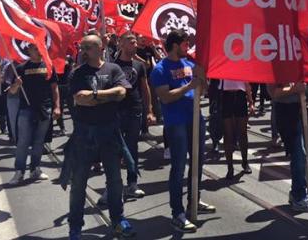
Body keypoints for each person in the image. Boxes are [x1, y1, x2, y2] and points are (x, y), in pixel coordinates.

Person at [65, 34, 134, 239]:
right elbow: (80, 99)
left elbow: (122, 92)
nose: (83, 51)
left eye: (88, 47)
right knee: (78, 183)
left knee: (114, 180)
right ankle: (75, 226)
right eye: (82, 47)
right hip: (84, 135)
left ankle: (118, 220)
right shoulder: (77, 73)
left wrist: (94, 96)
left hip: (110, 134)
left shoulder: (113, 69)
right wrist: (107, 96)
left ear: (100, 48)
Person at [150, 30, 216, 233]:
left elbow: (202, 91)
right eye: (185, 43)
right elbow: (166, 98)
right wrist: (190, 85)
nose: (188, 46)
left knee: (197, 163)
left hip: (196, 119)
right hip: (176, 122)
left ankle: (194, 201)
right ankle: (177, 212)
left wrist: (204, 79)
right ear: (175, 45)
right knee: (178, 167)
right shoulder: (160, 69)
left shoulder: (190, 65)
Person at [267, 81, 308, 213]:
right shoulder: (274, 66)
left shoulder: (298, 67)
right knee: (299, 153)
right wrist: (294, 89)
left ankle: (297, 190)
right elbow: (273, 92)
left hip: (302, 110)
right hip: (286, 113)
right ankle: (299, 196)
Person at [8, 43, 59, 184]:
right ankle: (19, 171)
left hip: (44, 109)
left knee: (39, 141)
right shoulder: (20, 68)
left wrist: (57, 107)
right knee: (23, 142)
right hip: (26, 110)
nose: (39, 51)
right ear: (29, 50)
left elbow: (54, 88)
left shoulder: (48, 66)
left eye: (40, 48)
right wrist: (17, 84)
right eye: (35, 48)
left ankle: (35, 168)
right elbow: (12, 91)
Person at [114, 32, 156, 198]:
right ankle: (114, 184)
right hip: (116, 112)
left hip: (134, 111)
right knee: (116, 149)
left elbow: (145, 89)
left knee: (132, 147)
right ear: (121, 44)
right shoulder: (112, 66)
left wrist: (149, 110)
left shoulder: (139, 66)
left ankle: (132, 183)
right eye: (130, 42)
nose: (134, 44)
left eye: (134, 42)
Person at [220, 78, 254, 180]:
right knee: (228, 134)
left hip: (240, 96)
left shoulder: (241, 62)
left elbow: (246, 82)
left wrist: (251, 102)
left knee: (243, 133)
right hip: (225, 96)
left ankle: (245, 162)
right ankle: (230, 168)